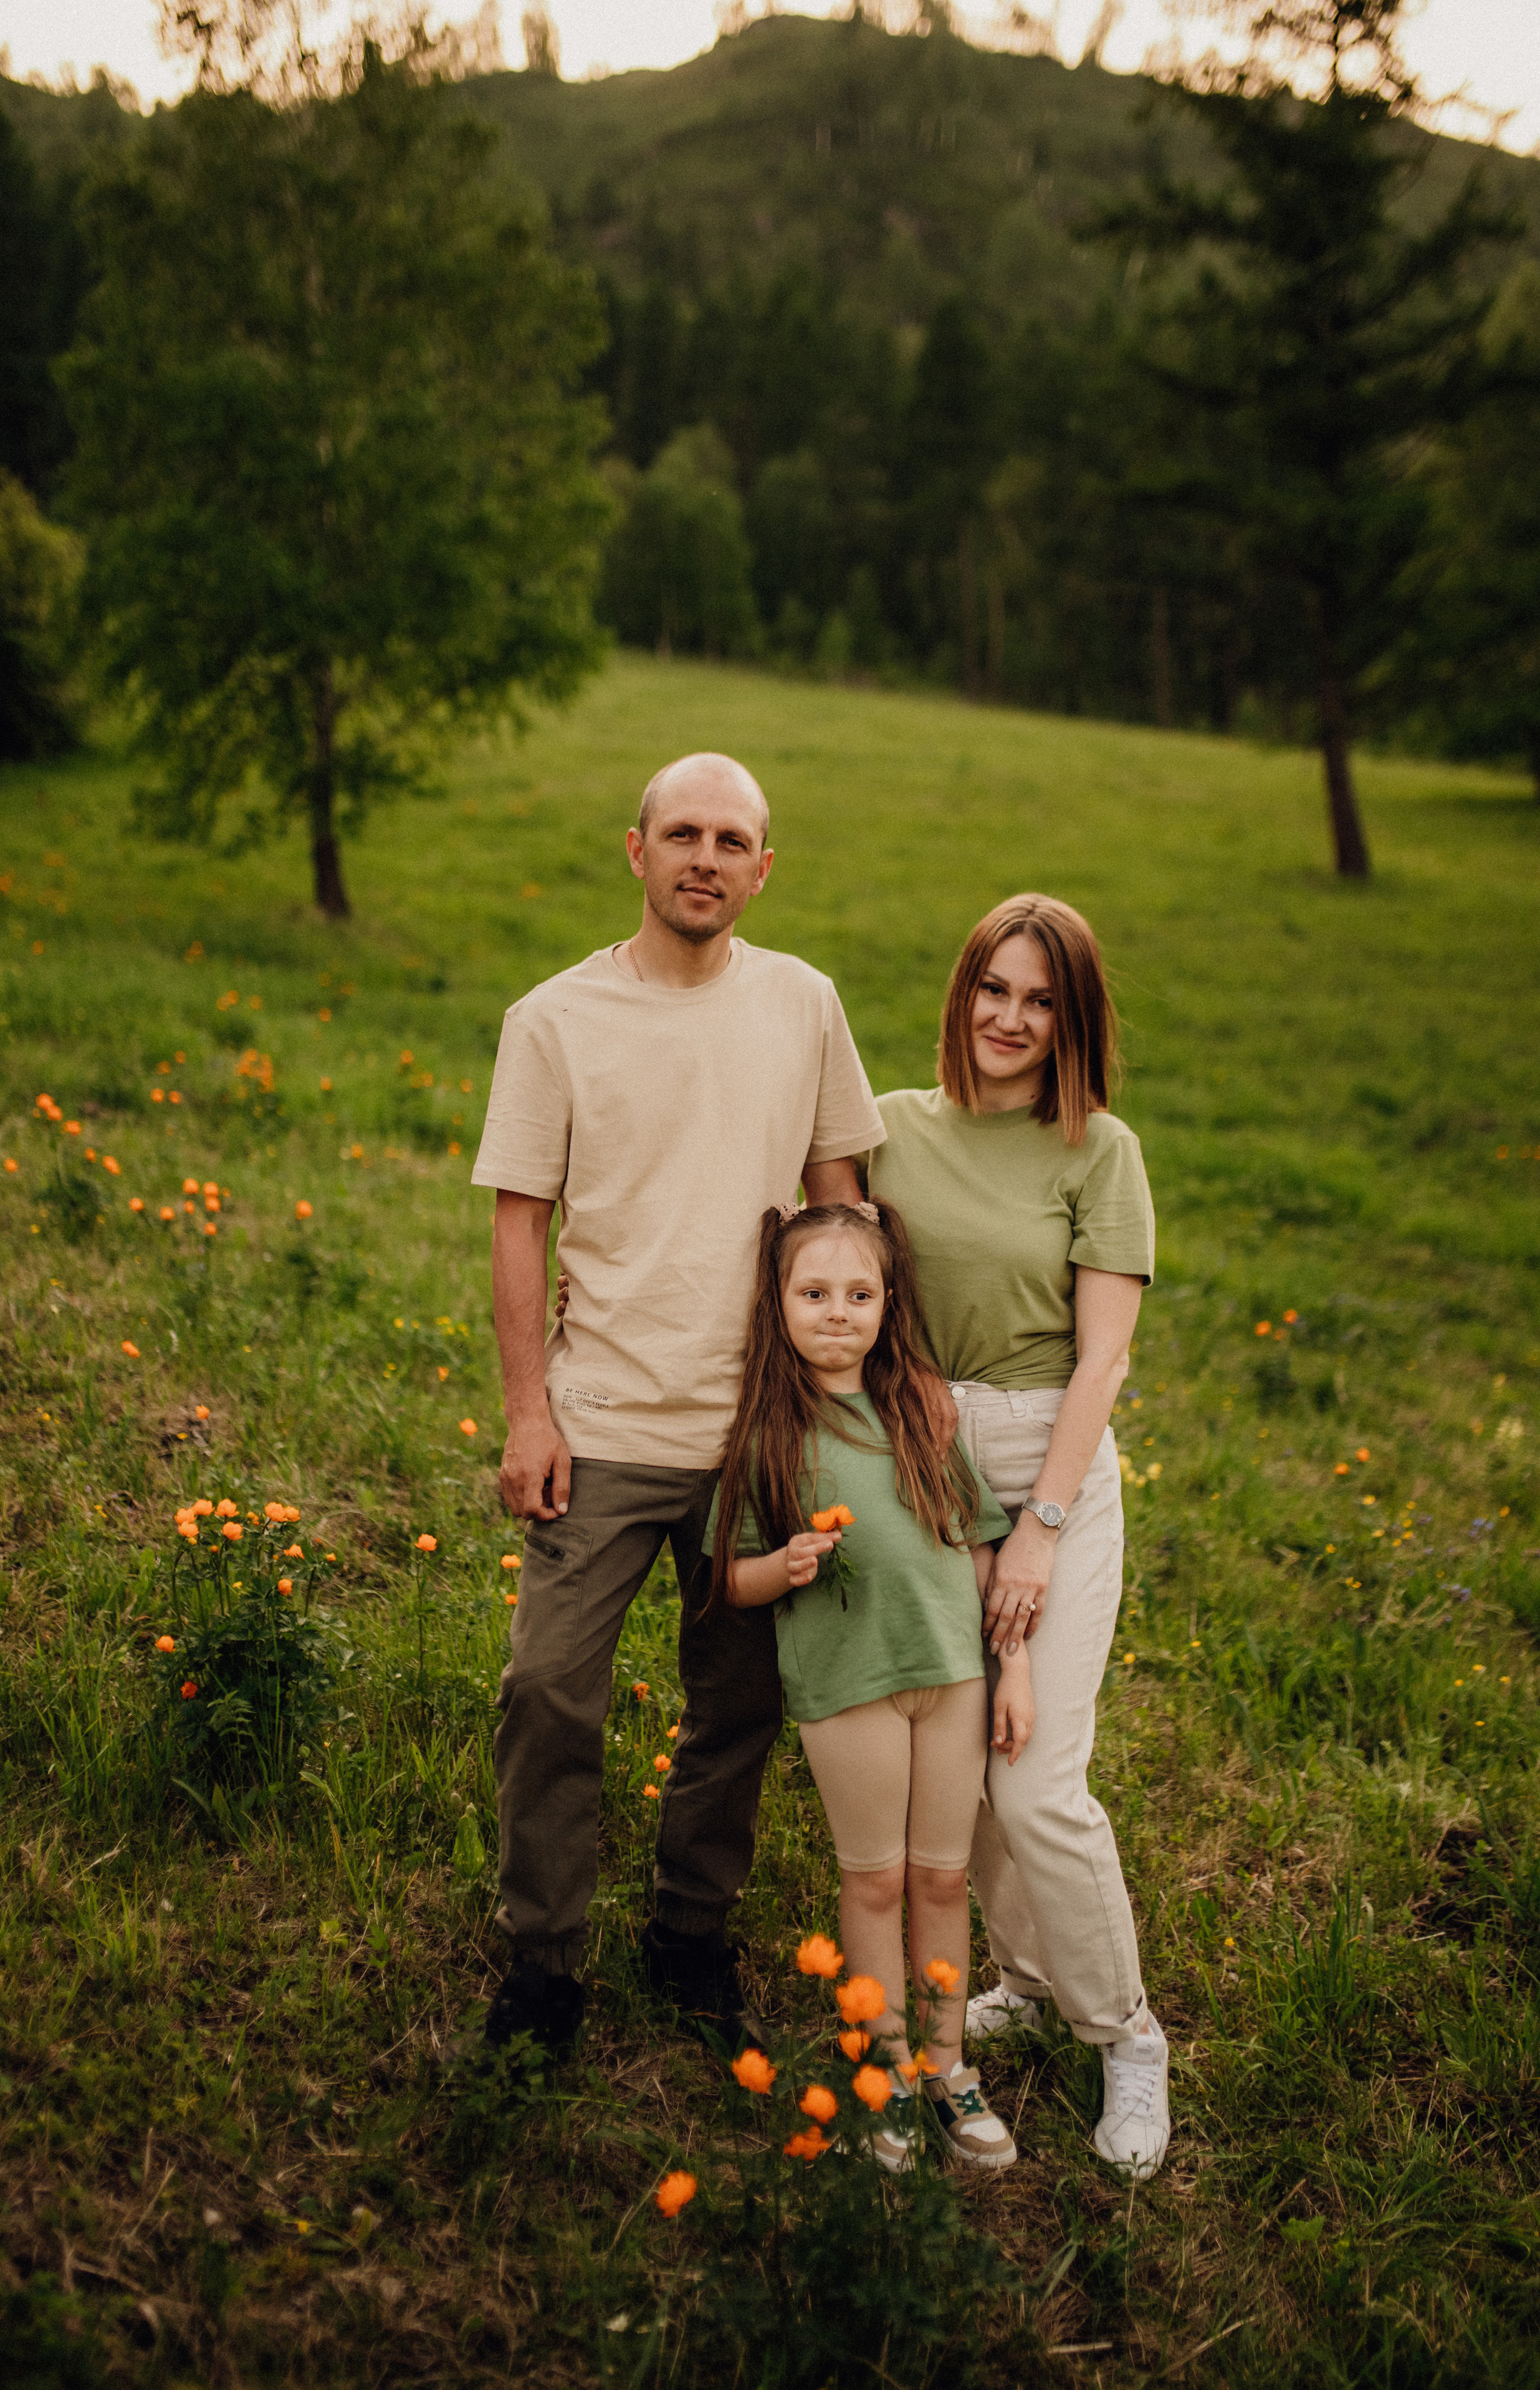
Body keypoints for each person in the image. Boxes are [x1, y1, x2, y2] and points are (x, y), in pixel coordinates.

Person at [472, 751, 887, 2056]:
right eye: (682, 834)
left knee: (739, 1704)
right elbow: (518, 1226)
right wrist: (529, 1411)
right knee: (549, 1695)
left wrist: (850, 1399)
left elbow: (845, 1210)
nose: (705, 858)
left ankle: (687, 1936)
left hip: (755, 1437)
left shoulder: (803, 1005)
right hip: (598, 1427)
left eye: (732, 840)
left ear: (763, 870)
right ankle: (543, 1967)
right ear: (636, 852)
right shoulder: (553, 1020)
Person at [865, 893, 1171, 2182]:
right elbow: (838, 1277)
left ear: (1071, 1020)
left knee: (1036, 1782)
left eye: (1039, 1000)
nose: (1008, 1017)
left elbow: (1103, 1362)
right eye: (992, 988)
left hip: (1051, 1464)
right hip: (920, 1468)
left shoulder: (1099, 1152)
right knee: (958, 1772)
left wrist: (1041, 1529)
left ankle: (1128, 2036)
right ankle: (1029, 1982)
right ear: (961, 991)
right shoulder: (885, 1127)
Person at [708, 1197, 1031, 2172]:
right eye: (814, 1292)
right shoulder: (768, 1429)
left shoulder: (922, 1411)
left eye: (860, 1292)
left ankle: (947, 2063)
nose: (838, 1311)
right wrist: (788, 1565)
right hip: (850, 1684)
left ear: (891, 1303)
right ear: (778, 1301)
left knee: (941, 1874)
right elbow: (732, 1575)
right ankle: (882, 2069)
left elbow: (978, 1544)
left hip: (954, 1674)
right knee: (876, 1877)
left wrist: (1010, 1664)